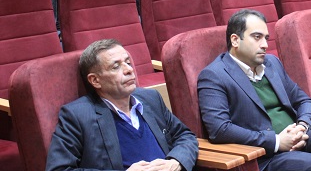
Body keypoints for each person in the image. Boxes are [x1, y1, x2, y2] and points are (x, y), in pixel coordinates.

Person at [197, 9, 311, 171]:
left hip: (298, 138)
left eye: (266, 38)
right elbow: (220, 129)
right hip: (266, 155)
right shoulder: (214, 75)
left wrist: (302, 126)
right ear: (235, 40)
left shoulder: (271, 63)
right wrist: (276, 141)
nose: (264, 45)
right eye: (257, 37)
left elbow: (304, 101)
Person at [45, 39, 198, 171]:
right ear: (95, 80)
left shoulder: (151, 98)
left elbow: (184, 136)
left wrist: (175, 162)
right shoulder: (77, 116)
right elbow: (59, 168)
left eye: (128, 62)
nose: (129, 70)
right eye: (116, 66)